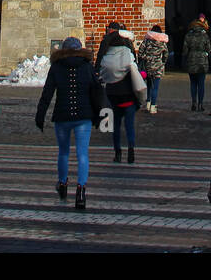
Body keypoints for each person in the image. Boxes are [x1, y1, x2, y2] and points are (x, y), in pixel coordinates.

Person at [35, 36, 104, 209]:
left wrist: (40, 115)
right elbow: (97, 92)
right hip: (83, 116)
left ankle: (63, 183)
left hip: (63, 115)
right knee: (82, 155)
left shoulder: (57, 67)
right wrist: (101, 114)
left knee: (63, 153)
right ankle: (81, 191)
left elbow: (47, 93)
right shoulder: (87, 66)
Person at [99, 29, 145, 162]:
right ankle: (131, 150)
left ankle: (117, 152)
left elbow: (103, 75)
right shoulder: (128, 56)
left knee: (115, 126)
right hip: (128, 96)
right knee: (130, 126)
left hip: (113, 96)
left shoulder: (107, 57)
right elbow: (135, 73)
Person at [138, 24, 170, 113]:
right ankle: (153, 106)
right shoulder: (162, 42)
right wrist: (162, 62)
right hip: (158, 66)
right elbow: (166, 54)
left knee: (148, 85)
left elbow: (140, 53)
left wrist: (146, 58)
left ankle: (148, 103)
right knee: (155, 87)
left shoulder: (147, 41)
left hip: (148, 66)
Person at [183, 14, 211, 111]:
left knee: (193, 83)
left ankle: (194, 102)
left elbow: (185, 50)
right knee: (201, 83)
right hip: (202, 62)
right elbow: (209, 49)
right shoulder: (205, 36)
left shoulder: (188, 35)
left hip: (192, 61)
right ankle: (201, 104)